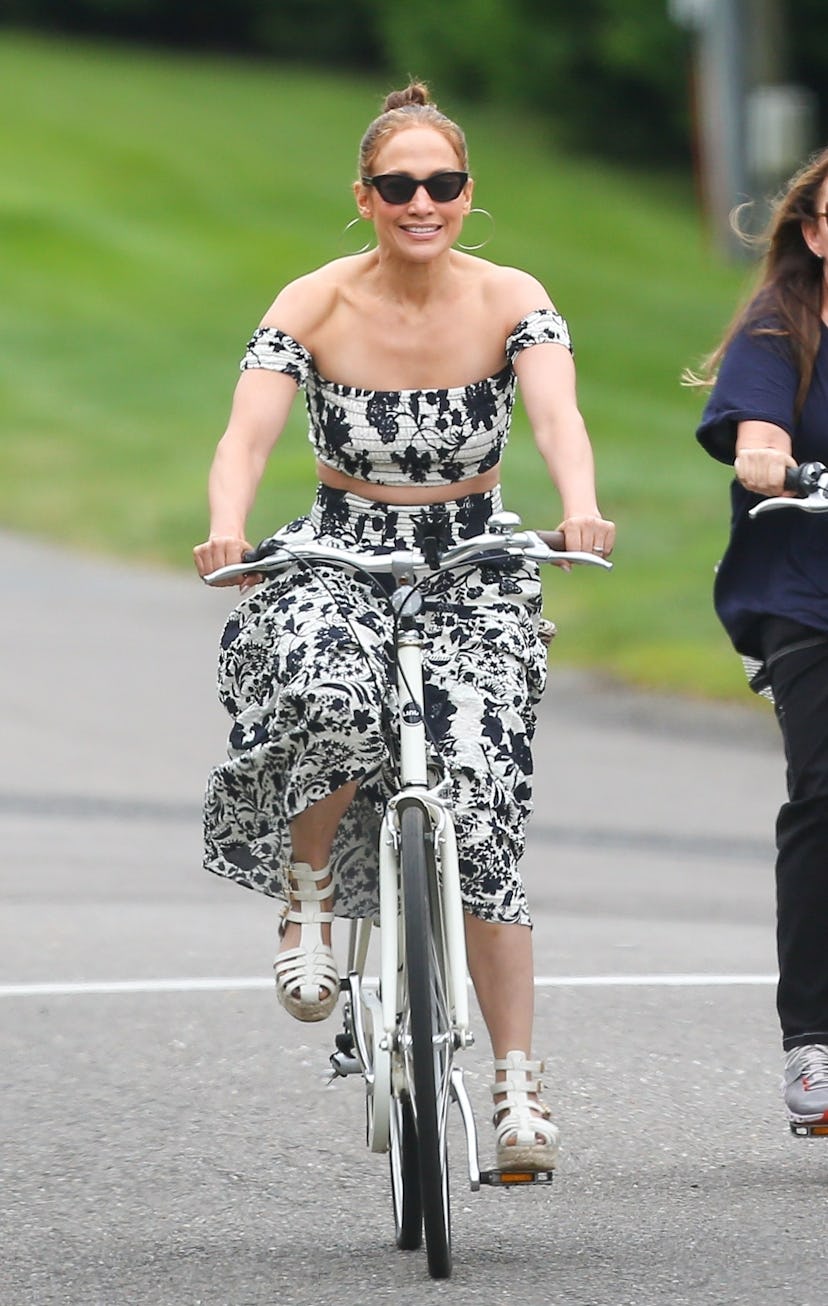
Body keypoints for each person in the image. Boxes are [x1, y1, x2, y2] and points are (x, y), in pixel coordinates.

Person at [193, 82, 614, 1170]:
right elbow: (245, 435)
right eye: (399, 185)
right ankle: (310, 895)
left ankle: (519, 1094)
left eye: (443, 184)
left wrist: (579, 505)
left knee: (482, 816)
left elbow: (561, 415)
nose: (422, 201)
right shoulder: (315, 303)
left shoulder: (513, 296)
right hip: (340, 550)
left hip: (475, 561)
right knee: (325, 694)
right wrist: (228, 526)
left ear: (469, 193)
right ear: (365, 198)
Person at [692, 147, 828, 1132]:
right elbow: (756, 436)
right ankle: (815, 1047)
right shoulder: (782, 327)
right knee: (826, 792)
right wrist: (769, 457)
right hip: (805, 586)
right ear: (815, 234)